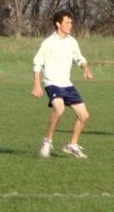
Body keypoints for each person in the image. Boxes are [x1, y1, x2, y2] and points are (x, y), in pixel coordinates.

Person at [31, 10, 93, 159]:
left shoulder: (72, 42)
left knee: (84, 115)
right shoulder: (48, 43)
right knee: (59, 109)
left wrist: (86, 69)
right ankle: (47, 141)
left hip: (67, 84)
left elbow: (79, 58)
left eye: (71, 22)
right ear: (58, 24)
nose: (70, 25)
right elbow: (37, 64)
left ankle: (72, 145)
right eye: (67, 22)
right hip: (52, 83)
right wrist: (37, 85)